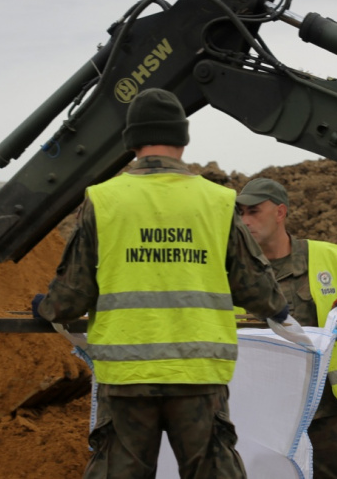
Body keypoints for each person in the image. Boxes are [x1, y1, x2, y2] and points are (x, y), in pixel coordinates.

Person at [34, 88, 289, 479]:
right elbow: (257, 290)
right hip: (198, 378)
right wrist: (280, 309)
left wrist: (46, 309)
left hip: (127, 380)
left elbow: (71, 297)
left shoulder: (103, 200)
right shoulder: (217, 201)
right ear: (182, 140)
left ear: (131, 139)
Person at [236, 177, 337, 479]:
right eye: (240, 213)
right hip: (262, 417)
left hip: (325, 413)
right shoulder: (233, 269)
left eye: (253, 211)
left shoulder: (324, 257)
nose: (245, 221)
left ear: (280, 213)